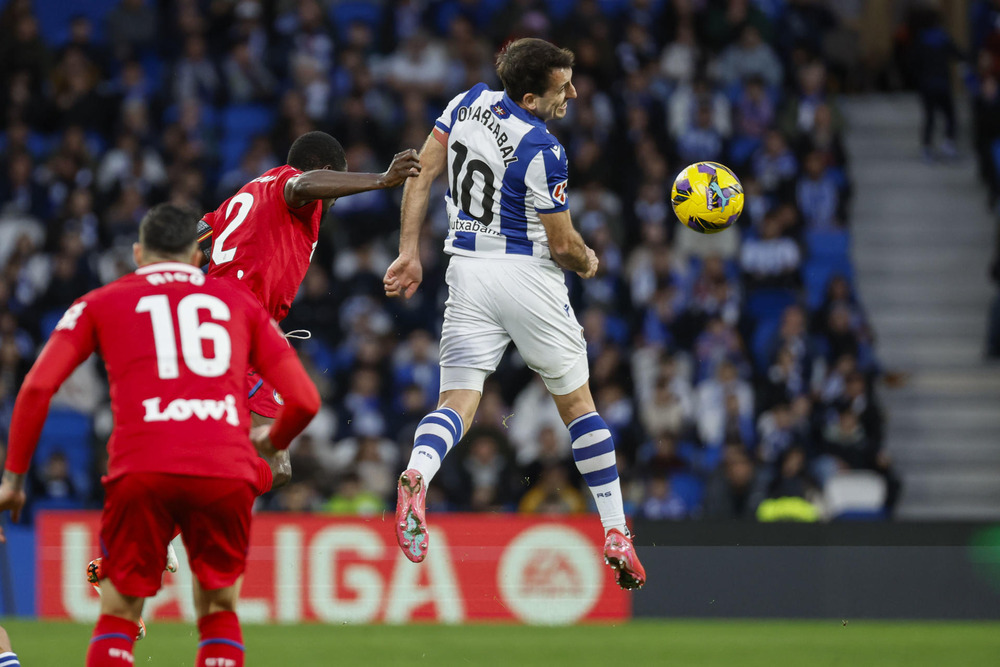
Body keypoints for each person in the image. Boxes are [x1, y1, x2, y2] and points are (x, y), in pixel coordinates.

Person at [84, 130, 422, 628]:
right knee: (259, 461)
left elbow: (192, 239)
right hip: (234, 336)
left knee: (259, 464)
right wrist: (380, 180)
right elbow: (301, 185)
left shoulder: (240, 198)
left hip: (213, 332)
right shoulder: (290, 186)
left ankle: (145, 546)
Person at [0, 205, 320, 667]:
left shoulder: (100, 301)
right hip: (222, 471)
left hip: (142, 468)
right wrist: (266, 446)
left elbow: (35, 387)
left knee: (119, 615)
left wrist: (13, 479)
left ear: (138, 253)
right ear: (197, 257)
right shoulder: (239, 304)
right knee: (218, 612)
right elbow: (306, 400)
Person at [383, 38, 645, 590]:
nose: (573, 93)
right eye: (562, 87)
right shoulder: (543, 148)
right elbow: (564, 244)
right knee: (578, 407)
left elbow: (420, 175)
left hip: (467, 273)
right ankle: (617, 530)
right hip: (526, 276)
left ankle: (417, 472)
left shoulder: (465, 103)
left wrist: (408, 251)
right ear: (530, 97)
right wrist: (590, 261)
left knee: (456, 402)